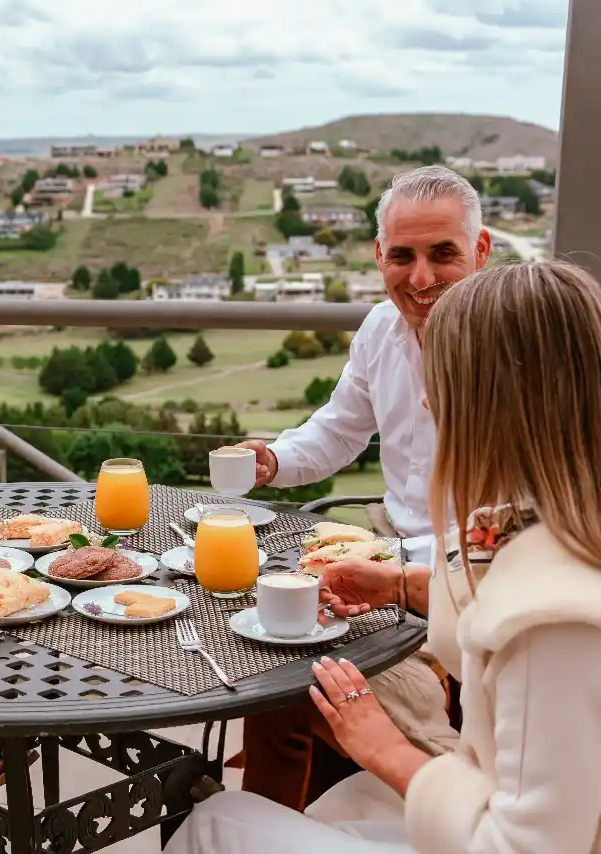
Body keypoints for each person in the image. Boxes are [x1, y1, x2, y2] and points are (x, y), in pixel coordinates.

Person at [166, 260, 601, 853]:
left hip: (503, 827)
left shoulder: (551, 621)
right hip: (492, 788)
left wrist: (381, 745)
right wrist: (403, 586)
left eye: (445, 379)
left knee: (219, 819)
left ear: (497, 401)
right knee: (340, 802)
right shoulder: (551, 517)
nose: (425, 399)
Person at [224, 164, 493, 809]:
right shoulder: (380, 329)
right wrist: (273, 460)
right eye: (402, 256)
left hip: (471, 576)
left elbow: (516, 534)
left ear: (481, 250)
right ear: (379, 255)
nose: (421, 279)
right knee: (268, 632)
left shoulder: (512, 350)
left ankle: (452, 794)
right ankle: (280, 819)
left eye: (443, 254)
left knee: (295, 664)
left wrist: (398, 579)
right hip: (387, 552)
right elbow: (339, 430)